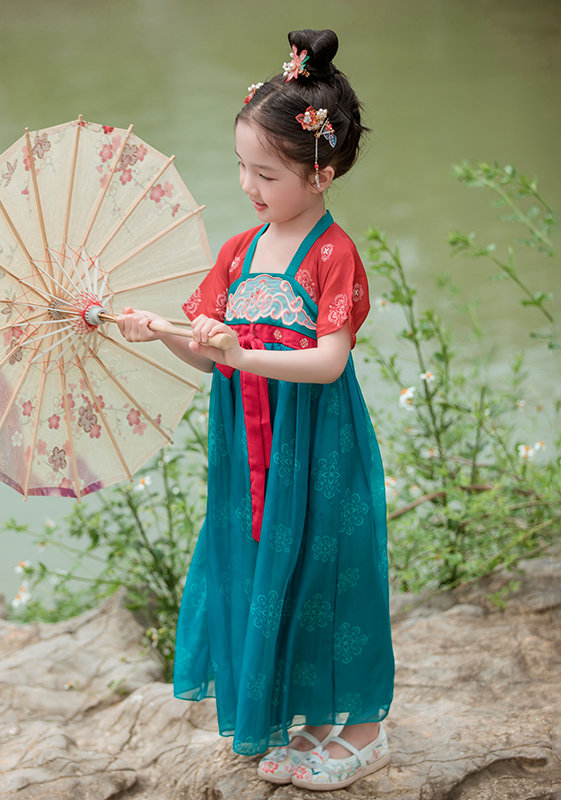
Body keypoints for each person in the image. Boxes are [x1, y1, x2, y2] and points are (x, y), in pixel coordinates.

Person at [115, 28, 394, 792]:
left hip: (316, 442)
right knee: (263, 566)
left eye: (266, 172)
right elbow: (207, 353)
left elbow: (330, 360)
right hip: (246, 444)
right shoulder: (238, 252)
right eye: (242, 166)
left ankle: (364, 731)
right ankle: (299, 719)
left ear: (323, 171)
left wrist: (242, 355)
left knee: (328, 567)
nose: (249, 184)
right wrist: (161, 334)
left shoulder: (333, 254)